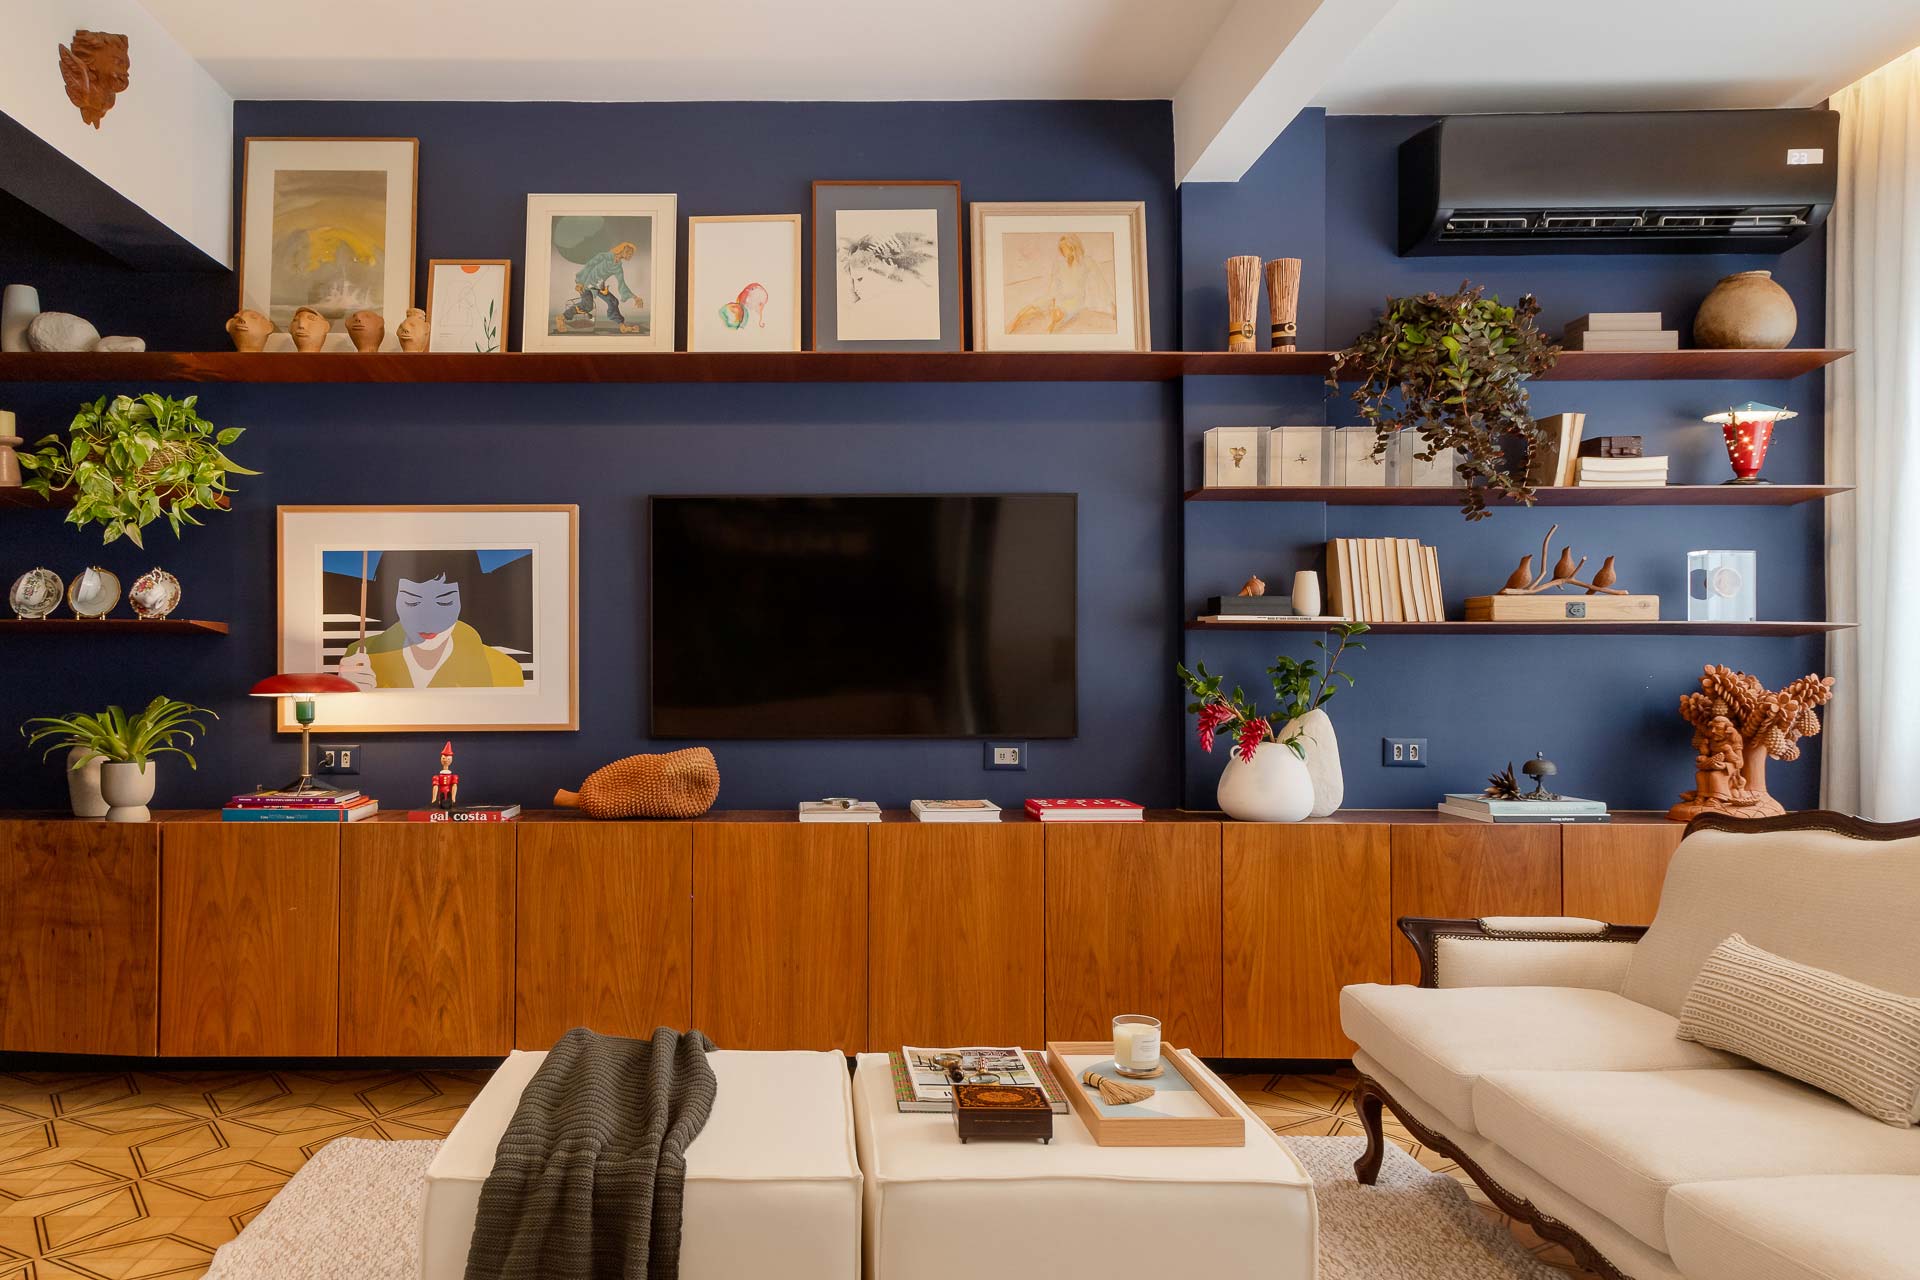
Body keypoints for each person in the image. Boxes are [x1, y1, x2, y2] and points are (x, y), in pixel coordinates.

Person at [337, 549, 525, 691]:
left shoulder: (504, 671)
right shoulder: (359, 657)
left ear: (465, 600)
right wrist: (345, 690)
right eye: (412, 602)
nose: (428, 621)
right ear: (392, 599)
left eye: (444, 602)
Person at [559, 240, 642, 332]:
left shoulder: (618, 267)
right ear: (623, 251)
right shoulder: (603, 256)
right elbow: (589, 266)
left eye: (631, 254)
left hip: (599, 286)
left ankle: (622, 326)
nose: (631, 256)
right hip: (587, 284)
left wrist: (635, 297)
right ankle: (561, 318)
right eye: (630, 253)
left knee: (613, 301)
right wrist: (580, 282)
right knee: (588, 306)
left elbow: (622, 284)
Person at [430, 742, 458, 810]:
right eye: (443, 758)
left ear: (451, 760)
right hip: (441, 793)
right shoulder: (437, 777)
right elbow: (435, 787)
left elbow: (454, 786)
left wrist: (453, 797)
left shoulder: (453, 776)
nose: (445, 761)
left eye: (448, 759)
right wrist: (434, 798)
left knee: (448, 804)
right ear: (441, 759)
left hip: (449, 793)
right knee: (441, 803)